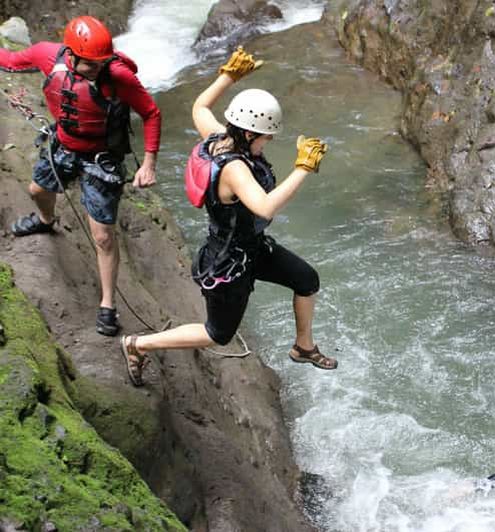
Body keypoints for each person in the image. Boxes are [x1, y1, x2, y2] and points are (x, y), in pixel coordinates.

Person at [119, 47, 336, 386]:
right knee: (217, 334)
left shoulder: (219, 137)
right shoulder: (234, 168)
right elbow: (264, 206)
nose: (268, 143)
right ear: (249, 134)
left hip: (251, 247)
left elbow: (199, 107)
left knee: (306, 280)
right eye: (266, 137)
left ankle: (303, 346)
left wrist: (229, 76)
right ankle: (138, 345)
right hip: (228, 263)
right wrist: (304, 167)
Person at [0, 15, 161, 336]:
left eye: (101, 62)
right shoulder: (47, 55)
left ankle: (107, 306)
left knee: (102, 236)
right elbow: (11, 61)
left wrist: (148, 163)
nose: (98, 68)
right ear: (70, 54)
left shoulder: (118, 75)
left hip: (101, 159)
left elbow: (151, 112)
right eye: (90, 64)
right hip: (63, 144)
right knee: (36, 190)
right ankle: (46, 221)